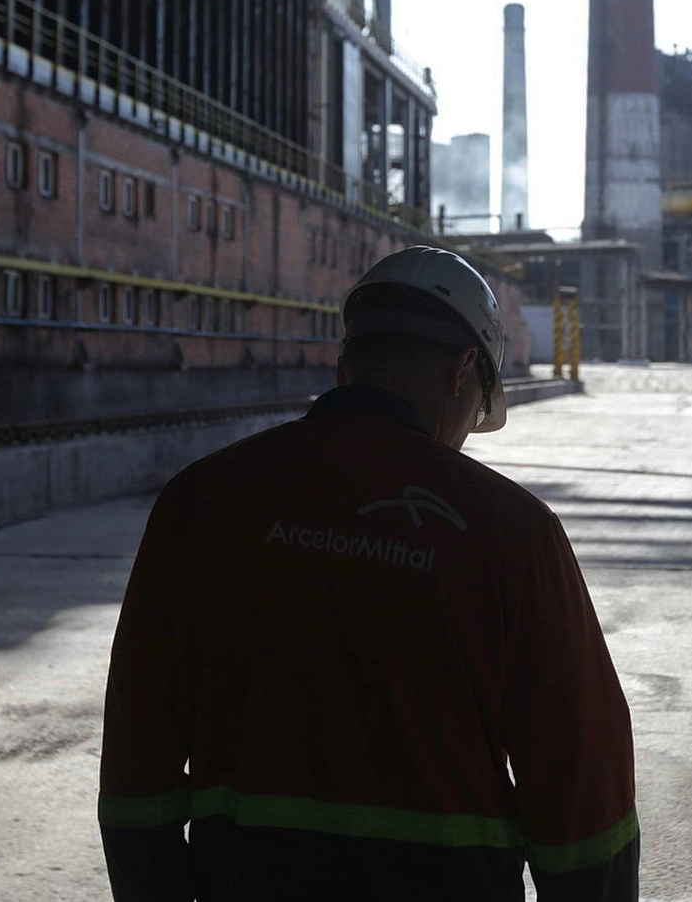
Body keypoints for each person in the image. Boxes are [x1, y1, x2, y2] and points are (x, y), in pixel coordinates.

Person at [99, 245, 638, 902]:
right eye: (477, 410)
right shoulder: (512, 532)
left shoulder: (202, 501)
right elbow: (582, 783)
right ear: (465, 370)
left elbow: (137, 760)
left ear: (346, 364)